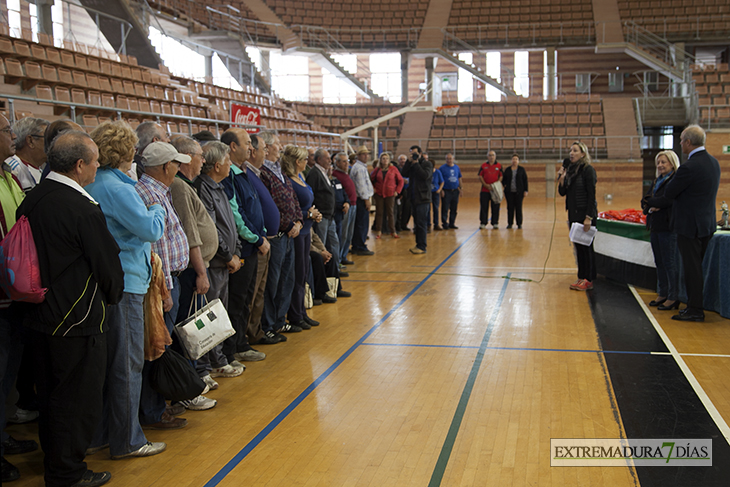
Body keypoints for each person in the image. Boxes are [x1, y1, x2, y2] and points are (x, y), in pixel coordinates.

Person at [18, 130, 125, 487]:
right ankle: (68, 472)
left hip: (37, 314)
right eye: (95, 162)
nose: (97, 168)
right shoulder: (81, 207)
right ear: (80, 166)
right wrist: (113, 297)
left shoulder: (33, 198)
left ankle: (57, 465)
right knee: (76, 400)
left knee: (49, 397)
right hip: (77, 319)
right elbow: (107, 266)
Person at [84, 121, 169, 459]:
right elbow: (149, 229)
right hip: (128, 281)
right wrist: (157, 207)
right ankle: (129, 440)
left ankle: (104, 433)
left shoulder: (103, 183)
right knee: (127, 363)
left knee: (114, 362)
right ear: (123, 151)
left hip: (114, 280)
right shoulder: (117, 188)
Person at [136, 142, 191, 430]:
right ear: (165, 167)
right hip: (163, 283)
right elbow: (155, 247)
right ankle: (153, 411)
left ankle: (157, 406)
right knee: (156, 351)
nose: (179, 168)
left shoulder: (159, 191)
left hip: (171, 280)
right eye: (176, 164)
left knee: (160, 349)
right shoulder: (148, 193)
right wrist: (164, 290)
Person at [646, 125, 721, 322]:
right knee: (697, 267)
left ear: (688, 142)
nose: (681, 144)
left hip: (689, 226)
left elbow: (670, 193)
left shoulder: (689, 167)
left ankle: (695, 309)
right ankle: (695, 306)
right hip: (707, 224)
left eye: (681, 141)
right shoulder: (714, 163)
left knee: (691, 269)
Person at [0, 114, 38, 485]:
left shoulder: (7, 176)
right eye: (5, 131)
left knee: (8, 373)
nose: (11, 136)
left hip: (15, 292)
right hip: (2, 291)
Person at [258, 131, 304, 335]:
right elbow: (271, 205)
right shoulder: (263, 173)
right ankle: (268, 324)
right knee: (273, 283)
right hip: (277, 236)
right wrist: (288, 225)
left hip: (290, 234)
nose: (281, 147)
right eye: (277, 143)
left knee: (287, 279)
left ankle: (279, 320)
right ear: (266, 148)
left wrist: (299, 222)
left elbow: (293, 198)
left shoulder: (280, 171)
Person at [244, 134, 282, 345]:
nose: (265, 153)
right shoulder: (246, 174)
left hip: (265, 240)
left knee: (260, 292)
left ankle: (256, 332)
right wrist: (258, 237)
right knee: (252, 294)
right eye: (262, 149)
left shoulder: (255, 174)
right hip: (256, 242)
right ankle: (247, 337)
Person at [282, 145, 322, 329]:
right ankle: (295, 314)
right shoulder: (289, 181)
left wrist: (314, 214)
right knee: (297, 274)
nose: (308, 162)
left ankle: (301, 311)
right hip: (298, 232)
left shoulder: (300, 178)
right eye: (305, 159)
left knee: (304, 272)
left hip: (307, 231)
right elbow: (292, 209)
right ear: (298, 162)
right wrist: (308, 214)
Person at [641, 150, 680, 311]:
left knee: (669, 263)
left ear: (672, 163)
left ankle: (673, 296)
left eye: (664, 162)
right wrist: (651, 206)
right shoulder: (657, 180)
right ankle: (662, 292)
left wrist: (652, 202)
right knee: (659, 261)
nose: (660, 165)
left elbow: (667, 201)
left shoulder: (674, 180)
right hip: (655, 226)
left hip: (667, 227)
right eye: (659, 162)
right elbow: (644, 200)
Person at [558, 141, 597, 291]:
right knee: (578, 248)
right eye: (570, 151)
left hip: (585, 215)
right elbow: (562, 193)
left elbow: (591, 195)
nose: (571, 153)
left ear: (583, 153)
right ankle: (582, 276)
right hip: (573, 214)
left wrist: (589, 217)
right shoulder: (571, 170)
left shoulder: (588, 170)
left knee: (587, 248)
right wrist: (562, 177)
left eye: (575, 150)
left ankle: (589, 278)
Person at [401, 145, 433, 254]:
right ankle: (418, 244)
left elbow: (425, 176)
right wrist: (409, 162)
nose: (413, 156)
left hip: (423, 198)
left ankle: (422, 246)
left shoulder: (427, 164)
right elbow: (403, 173)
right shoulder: (411, 164)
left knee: (421, 223)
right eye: (411, 154)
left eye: (415, 153)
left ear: (420, 153)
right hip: (413, 198)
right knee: (416, 224)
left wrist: (416, 164)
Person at [5, 117, 48, 192]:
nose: (53, 143)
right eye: (48, 138)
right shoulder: (13, 168)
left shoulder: (39, 170)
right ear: (30, 141)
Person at [370, 152, 404, 239]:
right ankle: (378, 231)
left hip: (390, 194)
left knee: (391, 213)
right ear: (380, 160)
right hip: (379, 194)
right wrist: (373, 188)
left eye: (386, 158)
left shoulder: (393, 169)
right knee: (379, 213)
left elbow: (401, 181)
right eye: (383, 158)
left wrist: (397, 191)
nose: (385, 160)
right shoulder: (377, 170)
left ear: (389, 160)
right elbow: (371, 180)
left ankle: (393, 231)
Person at [349, 146, 375, 255]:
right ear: (358, 156)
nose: (366, 156)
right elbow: (361, 186)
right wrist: (366, 200)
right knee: (362, 223)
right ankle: (359, 246)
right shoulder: (359, 168)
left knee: (360, 223)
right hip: (361, 199)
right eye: (363, 154)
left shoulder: (360, 167)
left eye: (367, 154)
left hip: (360, 199)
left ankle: (357, 244)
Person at [332, 152, 356, 266]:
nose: (347, 163)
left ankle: (343, 256)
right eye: (344, 161)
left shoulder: (345, 174)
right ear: (337, 162)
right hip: (344, 208)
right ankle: (339, 258)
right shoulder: (336, 175)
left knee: (349, 234)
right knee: (343, 234)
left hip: (352, 205)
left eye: (347, 161)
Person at [502, 154, 529, 229]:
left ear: (518, 161)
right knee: (510, 208)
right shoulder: (507, 170)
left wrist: (526, 190)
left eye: (516, 159)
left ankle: (519, 223)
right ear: (511, 160)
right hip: (509, 192)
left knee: (518, 208)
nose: (514, 161)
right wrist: (504, 186)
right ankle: (510, 223)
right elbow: (503, 180)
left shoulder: (521, 169)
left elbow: (525, 180)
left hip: (519, 192)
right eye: (513, 159)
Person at [478, 150, 502, 229]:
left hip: (495, 191)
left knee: (495, 207)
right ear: (487, 156)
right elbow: (480, 176)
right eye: (490, 155)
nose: (491, 157)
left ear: (495, 156)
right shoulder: (483, 165)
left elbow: (501, 176)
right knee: (484, 207)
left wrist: (495, 185)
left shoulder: (499, 165)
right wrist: (485, 185)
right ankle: (483, 223)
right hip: (485, 190)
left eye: (493, 155)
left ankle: (495, 223)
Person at [438, 153, 462, 229]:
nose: (449, 160)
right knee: (445, 208)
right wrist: (441, 190)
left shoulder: (457, 167)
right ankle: (444, 223)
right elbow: (440, 180)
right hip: (446, 191)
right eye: (447, 159)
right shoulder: (442, 168)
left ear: (453, 159)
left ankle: (452, 223)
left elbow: (459, 178)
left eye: (450, 158)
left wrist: (461, 188)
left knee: (454, 208)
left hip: (455, 191)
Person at [429, 162, 444, 231]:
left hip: (435, 193)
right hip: (428, 193)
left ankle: (436, 224)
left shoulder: (437, 172)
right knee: (427, 209)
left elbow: (442, 182)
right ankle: (428, 224)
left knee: (436, 208)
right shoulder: (427, 172)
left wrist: (439, 190)